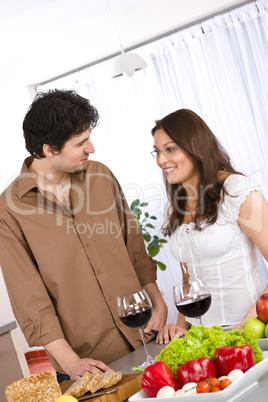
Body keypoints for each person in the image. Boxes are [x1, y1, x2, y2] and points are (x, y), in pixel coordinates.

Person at [0, 89, 167, 382]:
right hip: (88, 365)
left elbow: (134, 248)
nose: (91, 147)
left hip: (148, 337)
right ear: (49, 149)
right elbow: (30, 300)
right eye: (80, 143)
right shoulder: (9, 210)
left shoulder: (101, 176)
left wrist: (159, 301)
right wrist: (73, 364)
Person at [150, 108, 268, 345]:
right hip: (200, 338)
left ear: (196, 146)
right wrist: (179, 326)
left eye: (170, 149)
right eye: (157, 152)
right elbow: (189, 280)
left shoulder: (236, 190)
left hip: (246, 333)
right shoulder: (173, 207)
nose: (161, 160)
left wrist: (245, 326)